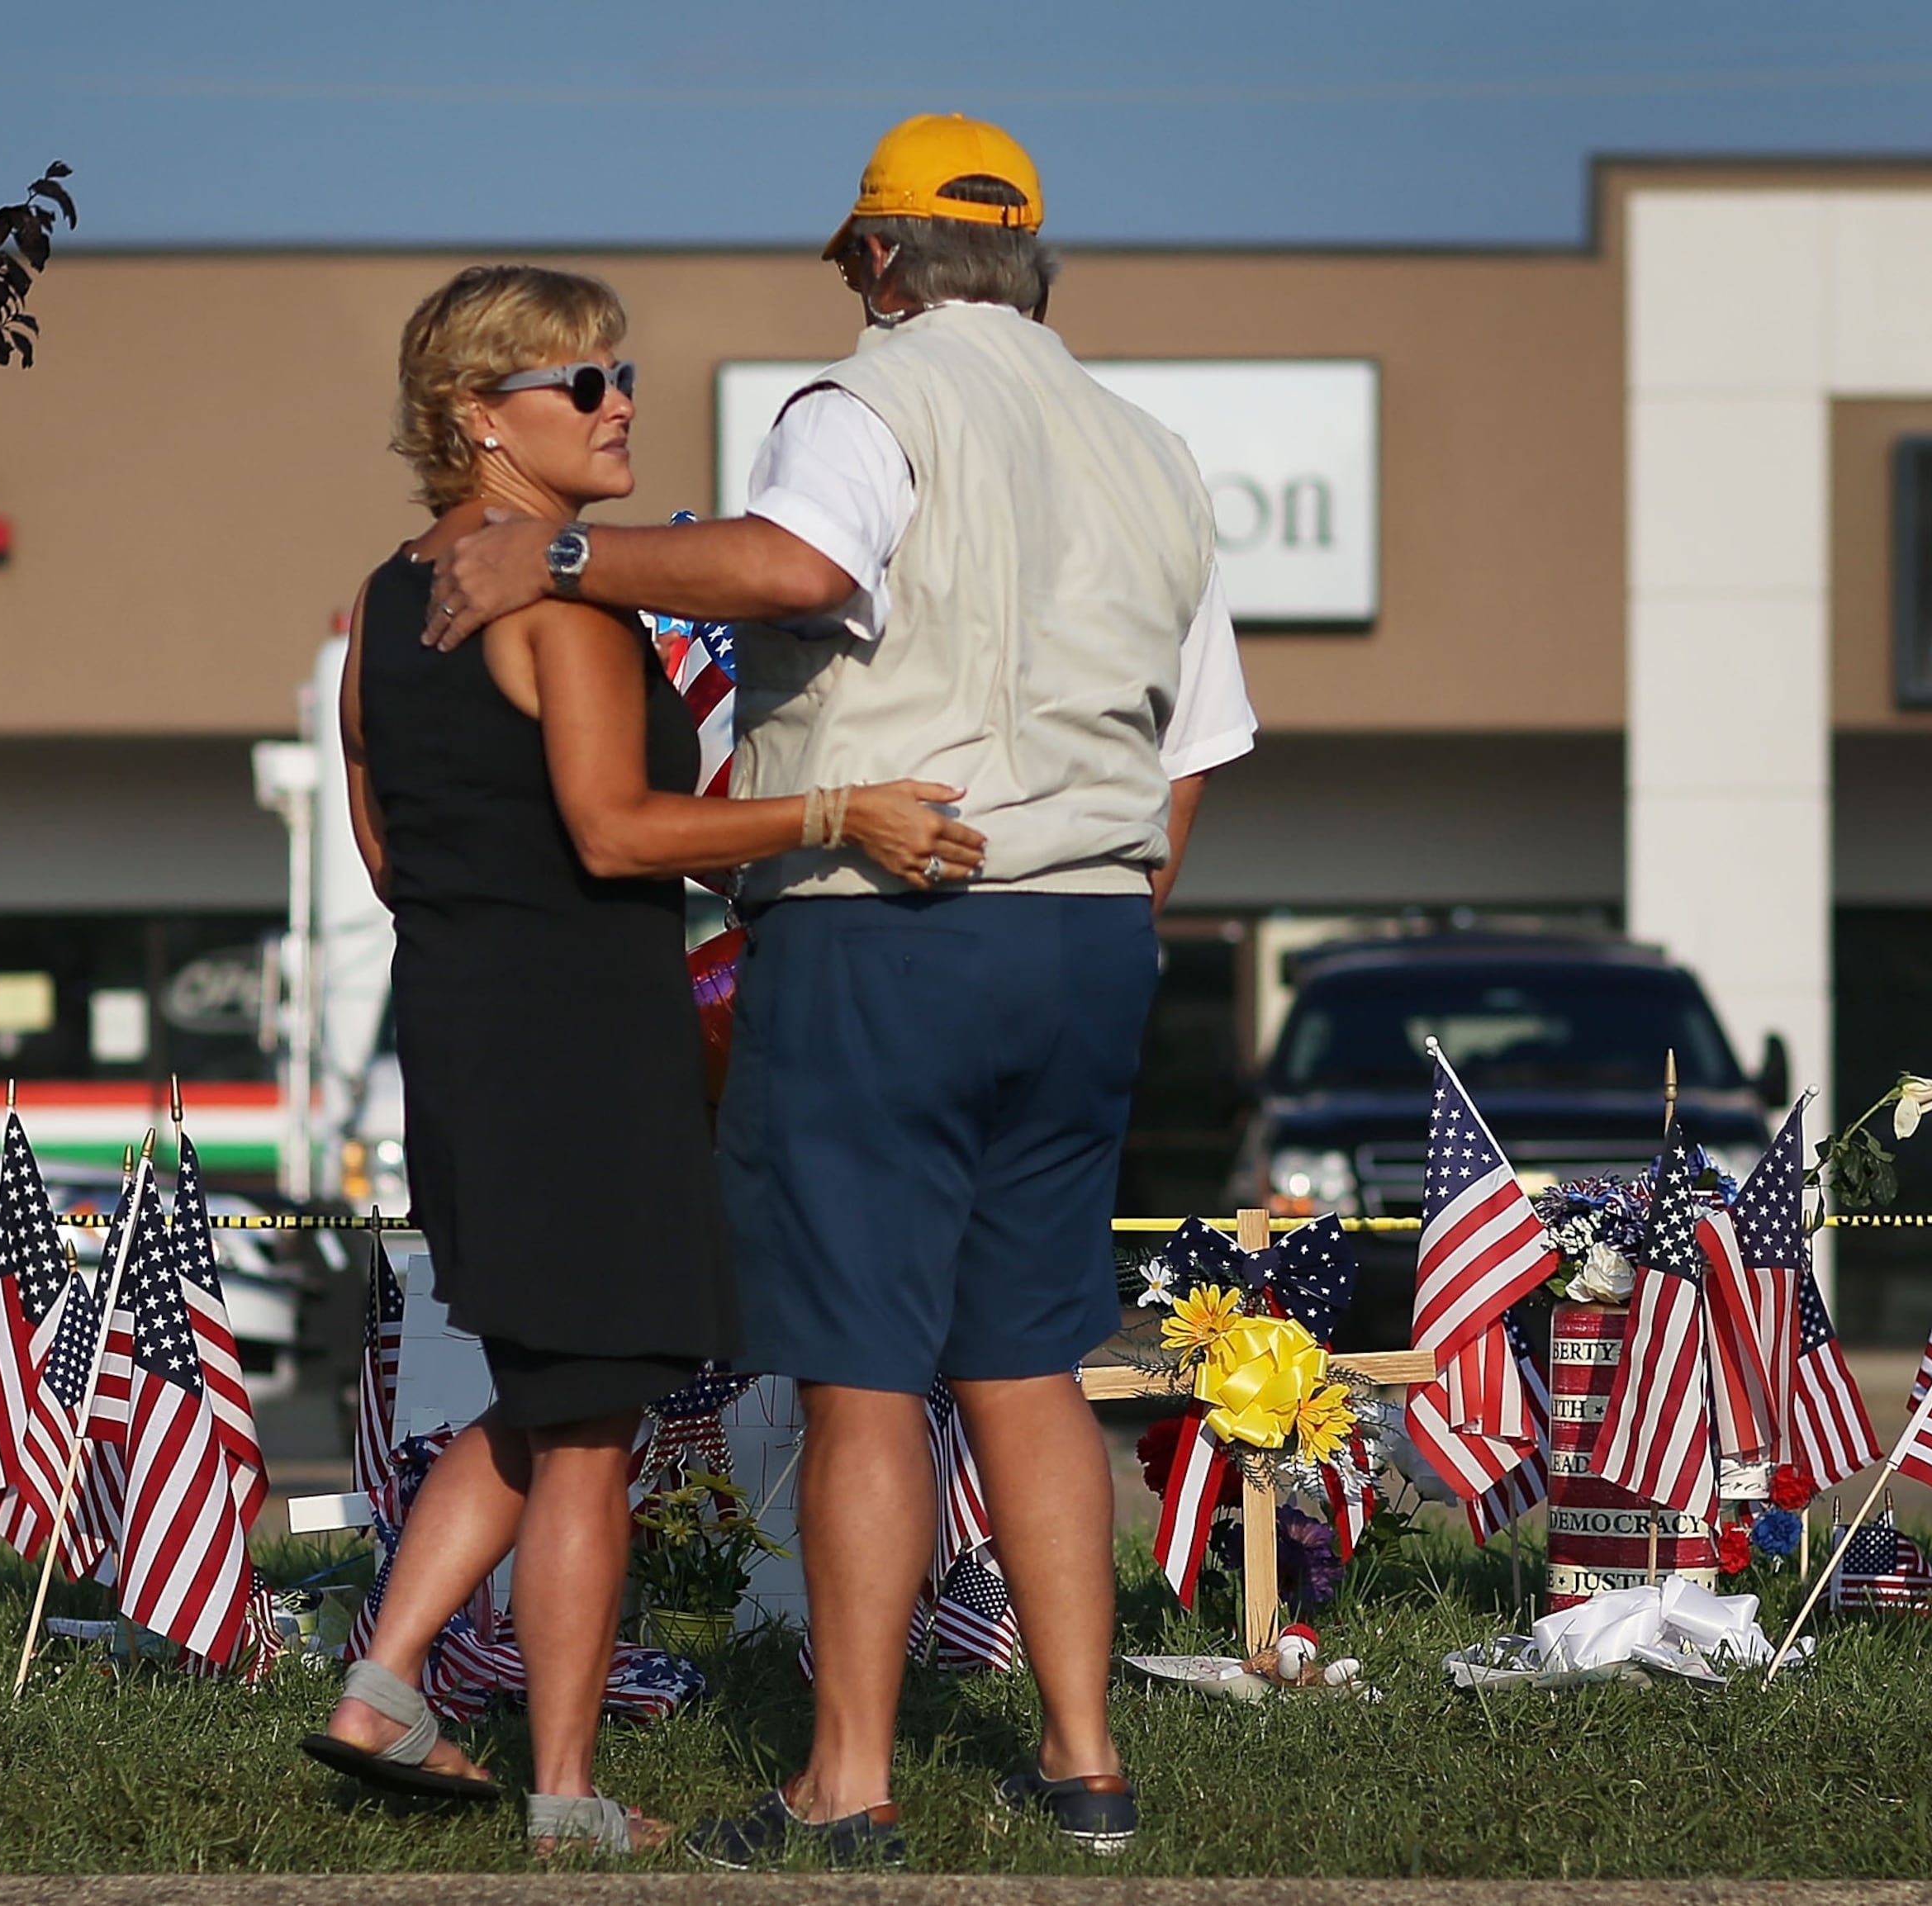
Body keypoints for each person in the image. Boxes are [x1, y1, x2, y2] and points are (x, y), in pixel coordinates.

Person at [422, 117, 1258, 1868]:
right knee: (1032, 1354)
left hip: (891, 923)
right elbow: (1198, 751)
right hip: (1094, 931)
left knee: (869, 1371)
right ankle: (1087, 1759)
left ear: (877, 260)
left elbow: (801, 567)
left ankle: (848, 1778)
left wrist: (565, 558)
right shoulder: (1153, 450)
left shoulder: (864, 402)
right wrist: (1096, 883)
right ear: (1034, 261)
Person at [297, 263, 986, 1858]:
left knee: (555, 1390)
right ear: (479, 417)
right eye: (581, 384)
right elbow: (618, 832)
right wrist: (840, 812)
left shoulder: (385, 605)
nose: (622, 405)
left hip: (463, 1029)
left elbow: (389, 848)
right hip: (583, 1047)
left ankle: (386, 1684)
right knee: (592, 1427)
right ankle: (567, 1793)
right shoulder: (558, 600)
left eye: (622, 374)